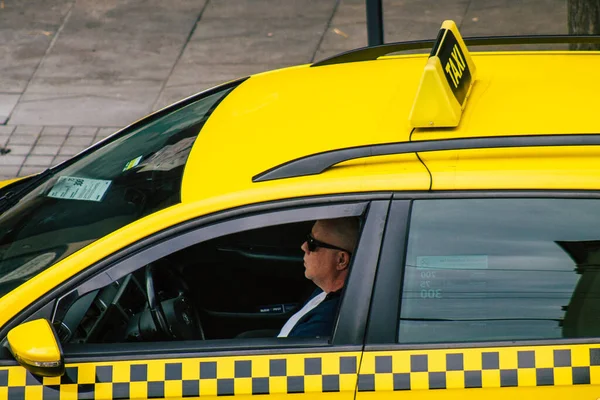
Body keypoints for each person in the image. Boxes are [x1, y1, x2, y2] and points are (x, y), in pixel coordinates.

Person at [278, 217, 359, 338]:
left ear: (341, 260)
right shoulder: (323, 290)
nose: (303, 247)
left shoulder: (327, 320)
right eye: (308, 238)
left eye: (312, 243)